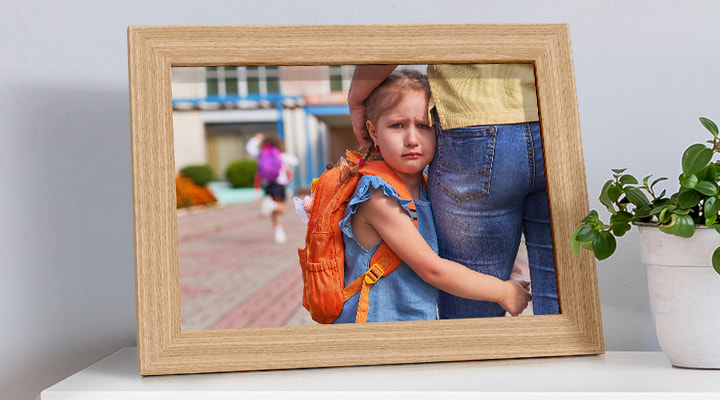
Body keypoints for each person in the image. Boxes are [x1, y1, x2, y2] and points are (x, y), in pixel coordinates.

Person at [347, 64, 559, 318]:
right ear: (372, 132)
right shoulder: (379, 197)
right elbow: (432, 269)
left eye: (423, 126)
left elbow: (465, 244)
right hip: (379, 338)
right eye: (397, 126)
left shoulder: (426, 187)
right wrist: (502, 291)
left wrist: (511, 271)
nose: (412, 139)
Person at [246, 133, 299, 243]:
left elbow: (249, 148)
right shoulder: (280, 154)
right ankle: (271, 205)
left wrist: (256, 138)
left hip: (267, 185)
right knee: (281, 208)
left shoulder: (261, 153)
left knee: (274, 212)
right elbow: (295, 161)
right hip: (278, 184)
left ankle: (278, 233)